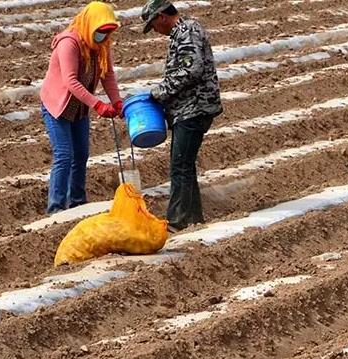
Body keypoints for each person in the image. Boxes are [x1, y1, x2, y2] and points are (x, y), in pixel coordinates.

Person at [141, 0, 223, 232]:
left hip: (194, 107)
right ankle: (194, 218)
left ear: (161, 17)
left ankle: (177, 221)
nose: (155, 31)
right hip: (187, 109)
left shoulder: (187, 31)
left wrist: (160, 92)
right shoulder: (182, 32)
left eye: (153, 25)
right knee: (185, 165)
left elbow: (191, 69)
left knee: (180, 165)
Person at [40, 1, 124, 214]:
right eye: (101, 32)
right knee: (64, 155)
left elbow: (108, 75)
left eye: (107, 33)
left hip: (79, 107)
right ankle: (56, 207)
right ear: (90, 25)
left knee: (82, 154)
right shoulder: (69, 43)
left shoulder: (100, 46)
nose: (104, 37)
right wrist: (97, 104)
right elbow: (70, 81)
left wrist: (117, 102)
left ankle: (77, 201)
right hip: (57, 106)